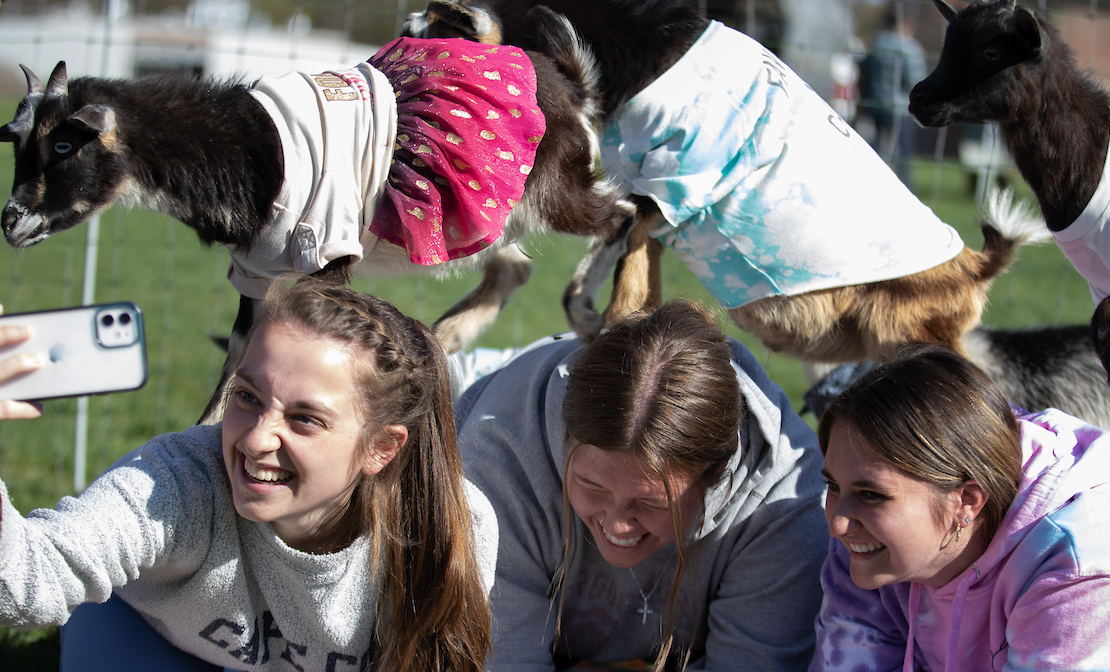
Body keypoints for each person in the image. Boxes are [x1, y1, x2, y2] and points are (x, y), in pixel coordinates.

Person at [0, 280, 498, 672]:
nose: (257, 439)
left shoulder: (452, 524)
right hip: (147, 634)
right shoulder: (176, 484)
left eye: (305, 418)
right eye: (247, 397)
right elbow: (24, 586)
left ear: (381, 448)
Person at [455, 300, 828, 671]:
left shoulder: (786, 503)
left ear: (717, 474)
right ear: (562, 436)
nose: (617, 526)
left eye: (651, 504)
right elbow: (503, 661)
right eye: (592, 486)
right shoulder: (496, 453)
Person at [812, 344, 1110, 672]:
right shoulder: (870, 545)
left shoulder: (1083, 577)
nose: (837, 524)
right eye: (833, 485)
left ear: (967, 500)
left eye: (872, 495)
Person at [858, 4, 926, 190]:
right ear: (905, 23)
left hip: (876, 103)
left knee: (877, 150)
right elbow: (915, 81)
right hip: (900, 107)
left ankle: (874, 186)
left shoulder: (876, 43)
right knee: (904, 153)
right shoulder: (909, 47)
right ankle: (905, 189)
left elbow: (863, 71)